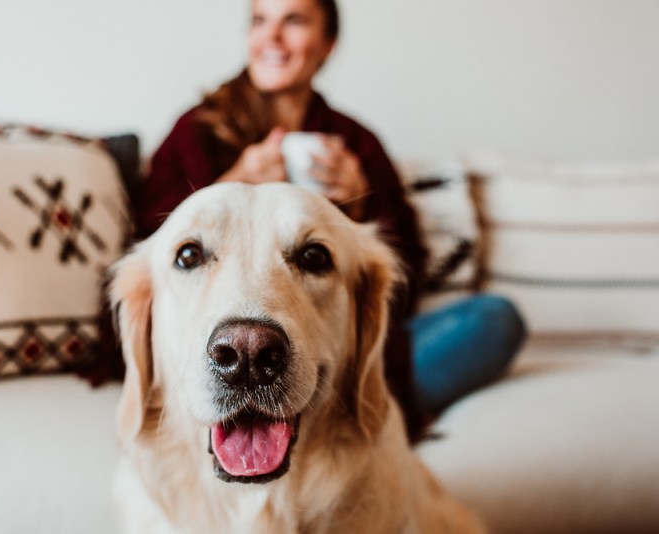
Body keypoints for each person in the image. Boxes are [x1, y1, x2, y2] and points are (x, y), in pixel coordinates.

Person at [133, 0, 526, 440]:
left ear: (327, 45)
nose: (272, 37)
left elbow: (406, 278)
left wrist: (360, 209)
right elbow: (149, 256)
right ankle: (375, 407)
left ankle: (360, 395)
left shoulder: (357, 144)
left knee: (494, 319)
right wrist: (230, 183)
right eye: (260, 21)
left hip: (335, 344)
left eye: (294, 21)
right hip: (214, 344)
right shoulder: (195, 132)